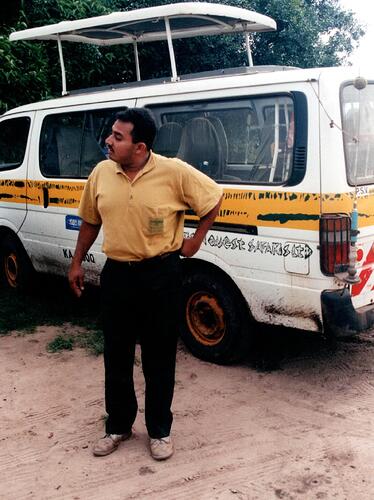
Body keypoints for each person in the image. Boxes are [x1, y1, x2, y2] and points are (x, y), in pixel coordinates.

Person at [68, 108, 223, 460]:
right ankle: (119, 425)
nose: (108, 140)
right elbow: (90, 221)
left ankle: (160, 430)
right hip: (118, 274)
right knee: (117, 353)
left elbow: (213, 198)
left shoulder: (173, 172)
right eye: (111, 133)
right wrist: (77, 262)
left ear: (139, 148)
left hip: (161, 275)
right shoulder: (102, 173)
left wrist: (196, 240)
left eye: (117, 137)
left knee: (159, 354)